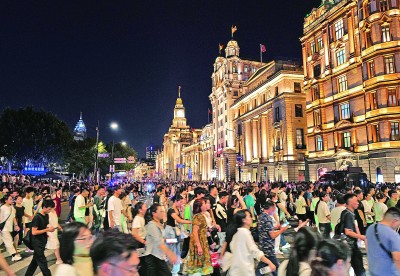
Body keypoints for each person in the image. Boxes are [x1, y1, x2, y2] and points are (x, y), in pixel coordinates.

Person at [226, 209, 276, 275]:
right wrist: (270, 263)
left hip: (236, 270)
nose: (251, 218)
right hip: (245, 271)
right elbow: (255, 251)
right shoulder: (245, 233)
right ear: (244, 220)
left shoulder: (237, 233)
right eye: (249, 216)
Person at [145, 203, 178, 275]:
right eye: (161, 211)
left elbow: (161, 238)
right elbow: (158, 242)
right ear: (154, 213)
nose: (163, 213)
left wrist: (170, 240)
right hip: (153, 257)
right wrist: (171, 254)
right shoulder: (152, 226)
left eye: (163, 211)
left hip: (159, 255)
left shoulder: (159, 224)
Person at [25, 199, 56, 276]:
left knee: (34, 262)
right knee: (43, 264)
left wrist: (49, 228)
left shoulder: (46, 215)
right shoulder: (37, 217)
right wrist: (47, 230)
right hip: (37, 243)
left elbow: (46, 225)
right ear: (44, 207)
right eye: (49, 209)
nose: (50, 211)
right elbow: (34, 232)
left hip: (42, 242)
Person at [256, 200, 287, 276]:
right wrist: (281, 230)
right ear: (271, 208)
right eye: (274, 208)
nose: (274, 211)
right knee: (276, 267)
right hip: (268, 246)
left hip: (263, 245)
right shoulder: (268, 219)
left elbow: (265, 229)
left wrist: (275, 228)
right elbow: (272, 235)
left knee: (268, 266)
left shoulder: (261, 216)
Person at [366, 207, 400, 276]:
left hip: (373, 270)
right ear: (395, 221)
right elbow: (397, 258)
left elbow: (367, 245)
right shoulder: (393, 235)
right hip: (389, 273)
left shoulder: (371, 228)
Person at [165, 194, 192, 276]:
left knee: (176, 250)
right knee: (171, 250)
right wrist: (191, 222)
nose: (181, 203)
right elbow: (179, 220)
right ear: (176, 201)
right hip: (170, 232)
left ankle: (175, 272)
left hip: (175, 232)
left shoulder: (177, 209)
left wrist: (182, 210)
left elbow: (182, 218)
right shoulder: (170, 210)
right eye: (180, 202)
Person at [341, 193, 366, 276]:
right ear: (350, 202)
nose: (358, 203)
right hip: (351, 246)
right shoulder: (349, 214)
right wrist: (361, 237)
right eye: (356, 201)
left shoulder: (346, 212)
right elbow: (348, 231)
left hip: (349, 246)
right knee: (360, 269)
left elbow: (354, 226)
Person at [187, 198, 213, 275]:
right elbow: (195, 232)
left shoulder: (202, 215)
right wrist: (199, 246)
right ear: (200, 206)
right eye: (204, 203)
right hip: (199, 242)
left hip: (203, 241)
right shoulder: (198, 216)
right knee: (199, 262)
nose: (206, 205)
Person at [0, 194, 22, 261]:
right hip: (3, 228)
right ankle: (14, 255)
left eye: (11, 199)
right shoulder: (2, 208)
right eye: (10, 199)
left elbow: (13, 218)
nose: (11, 200)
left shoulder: (12, 208)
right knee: (9, 241)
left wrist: (16, 225)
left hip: (9, 227)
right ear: (6, 200)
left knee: (3, 241)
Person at [22, 187, 35, 253]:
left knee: (30, 233)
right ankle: (27, 247)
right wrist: (29, 216)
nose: (32, 194)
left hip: (31, 218)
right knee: (26, 233)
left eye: (33, 193)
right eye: (31, 193)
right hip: (26, 219)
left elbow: (32, 208)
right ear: (27, 193)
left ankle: (30, 246)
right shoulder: (23, 201)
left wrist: (33, 214)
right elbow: (22, 211)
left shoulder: (31, 199)